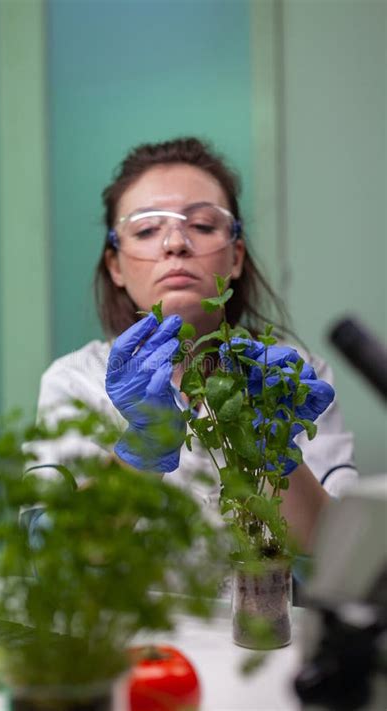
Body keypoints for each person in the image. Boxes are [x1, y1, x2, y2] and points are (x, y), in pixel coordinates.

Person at [31, 137, 358, 552]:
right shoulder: (74, 381)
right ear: (115, 265)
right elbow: (64, 554)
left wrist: (276, 450)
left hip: (263, 617)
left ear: (236, 256)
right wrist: (142, 449)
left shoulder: (293, 375)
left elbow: (335, 553)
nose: (175, 244)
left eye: (202, 225)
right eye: (147, 229)